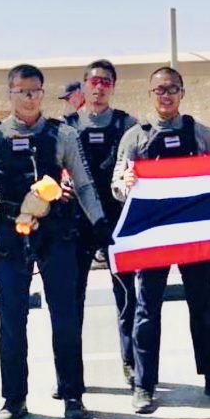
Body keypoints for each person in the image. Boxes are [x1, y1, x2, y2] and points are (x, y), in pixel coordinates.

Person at [0, 64, 112, 419]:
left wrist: (98, 222)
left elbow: (83, 183)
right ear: (10, 94)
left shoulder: (62, 134)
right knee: (12, 320)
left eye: (34, 91)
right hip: (10, 235)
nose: (29, 98)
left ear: (43, 94)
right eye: (22, 91)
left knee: (65, 316)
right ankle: (14, 400)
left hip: (56, 234)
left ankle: (73, 395)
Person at [112, 66, 210, 414]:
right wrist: (125, 185)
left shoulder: (202, 134)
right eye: (160, 90)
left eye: (172, 89)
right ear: (151, 95)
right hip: (153, 237)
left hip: (194, 237)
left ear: (182, 93)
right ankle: (144, 384)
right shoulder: (135, 137)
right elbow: (116, 185)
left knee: (202, 308)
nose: (166, 95)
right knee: (146, 311)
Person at [64, 59, 139, 391]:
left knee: (127, 296)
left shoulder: (128, 125)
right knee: (71, 299)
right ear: (84, 86)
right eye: (93, 81)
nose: (99, 87)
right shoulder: (65, 127)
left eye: (106, 82)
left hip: (117, 221)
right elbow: (51, 168)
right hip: (76, 222)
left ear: (113, 87)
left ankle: (131, 363)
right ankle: (70, 373)